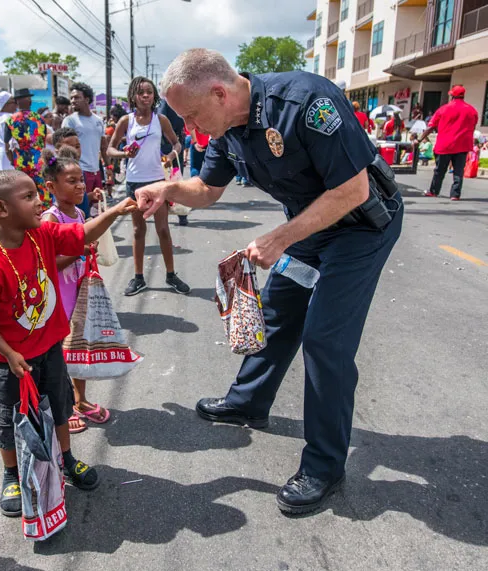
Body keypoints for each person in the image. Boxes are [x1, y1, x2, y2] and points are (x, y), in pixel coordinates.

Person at [137, 48, 402, 515]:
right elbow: (209, 189)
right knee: (277, 314)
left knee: (325, 342)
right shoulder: (226, 127)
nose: (194, 130)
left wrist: (280, 237)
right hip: (308, 228)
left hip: (360, 226)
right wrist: (169, 188)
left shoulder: (305, 102)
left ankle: (324, 465)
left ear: (220, 92)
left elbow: (353, 189)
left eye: (194, 116)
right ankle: (248, 402)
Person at [0, 170, 137, 517]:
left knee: (59, 407)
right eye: (27, 197)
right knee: (10, 418)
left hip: (50, 348)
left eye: (35, 193)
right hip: (10, 362)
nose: (39, 200)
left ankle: (66, 458)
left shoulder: (40, 234)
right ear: (0, 209)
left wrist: (114, 212)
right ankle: (12, 474)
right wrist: (9, 353)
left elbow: (80, 233)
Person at [40, 146, 111, 434]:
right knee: (61, 354)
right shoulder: (51, 219)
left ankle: (80, 400)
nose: (81, 185)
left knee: (80, 348)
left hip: (80, 291)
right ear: (51, 187)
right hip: (61, 297)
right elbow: (50, 264)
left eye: (81, 179)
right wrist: (79, 250)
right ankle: (64, 406)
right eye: (72, 181)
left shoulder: (80, 215)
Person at [107, 76, 190, 297]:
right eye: (141, 92)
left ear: (154, 96)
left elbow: (177, 142)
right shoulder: (126, 121)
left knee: (163, 229)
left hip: (157, 181)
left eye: (149, 92)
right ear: (133, 96)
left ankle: (171, 275)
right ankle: (138, 278)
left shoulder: (160, 120)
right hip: (135, 182)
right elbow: (110, 150)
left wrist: (172, 154)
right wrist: (124, 153)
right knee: (138, 230)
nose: (146, 96)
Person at [420, 85, 479, 201]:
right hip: (462, 145)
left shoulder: (444, 109)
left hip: (445, 145)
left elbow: (431, 127)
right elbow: (473, 125)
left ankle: (434, 191)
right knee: (458, 171)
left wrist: (420, 139)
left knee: (439, 170)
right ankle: (455, 194)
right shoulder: (472, 110)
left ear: (452, 95)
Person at [63, 83, 107, 218]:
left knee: (98, 208)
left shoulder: (98, 121)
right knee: (79, 210)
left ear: (87, 99)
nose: (72, 101)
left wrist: (108, 167)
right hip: (79, 171)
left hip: (96, 171)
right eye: (71, 98)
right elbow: (64, 148)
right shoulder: (69, 121)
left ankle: (95, 237)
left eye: (76, 97)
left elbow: (103, 146)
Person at [4, 87, 50, 208]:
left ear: (17, 102)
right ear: (30, 101)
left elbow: (6, 146)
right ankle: (46, 220)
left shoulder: (10, 120)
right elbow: (43, 142)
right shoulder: (40, 119)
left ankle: (25, 220)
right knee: (44, 193)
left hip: (21, 163)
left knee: (23, 194)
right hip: (39, 163)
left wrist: (12, 161)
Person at [158, 98, 190, 226]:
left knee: (165, 181)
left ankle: (171, 213)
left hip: (166, 147)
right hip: (177, 145)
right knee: (176, 180)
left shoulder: (165, 102)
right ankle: (181, 215)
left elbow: (161, 121)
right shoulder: (181, 99)